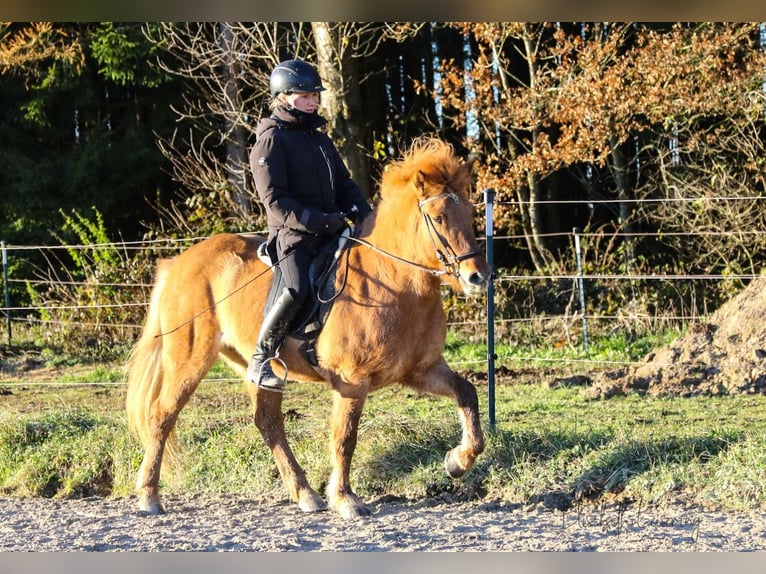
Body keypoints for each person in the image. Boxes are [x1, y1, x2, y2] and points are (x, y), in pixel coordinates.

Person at [246, 58, 372, 392]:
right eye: (305, 95)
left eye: (315, 95)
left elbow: (345, 184)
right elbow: (275, 201)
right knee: (297, 287)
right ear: (284, 96)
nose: (313, 100)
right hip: (293, 237)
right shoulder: (271, 139)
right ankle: (261, 358)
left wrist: (364, 213)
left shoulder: (319, 139)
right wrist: (320, 221)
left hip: (331, 230)